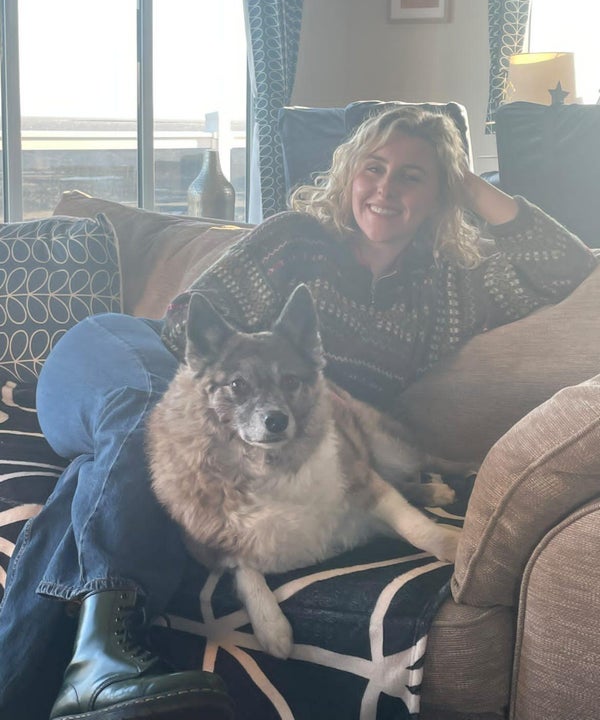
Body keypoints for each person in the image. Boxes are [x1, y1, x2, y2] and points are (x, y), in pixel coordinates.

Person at [0, 106, 595, 720]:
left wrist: (464, 178)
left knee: (97, 478)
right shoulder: (294, 241)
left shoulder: (445, 291)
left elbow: (565, 263)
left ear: (439, 193)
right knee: (147, 421)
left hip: (193, 421)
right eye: (373, 168)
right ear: (350, 173)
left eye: (412, 176)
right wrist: (268, 383)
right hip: (118, 354)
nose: (386, 188)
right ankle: (103, 655)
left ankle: (41, 685)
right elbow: (182, 321)